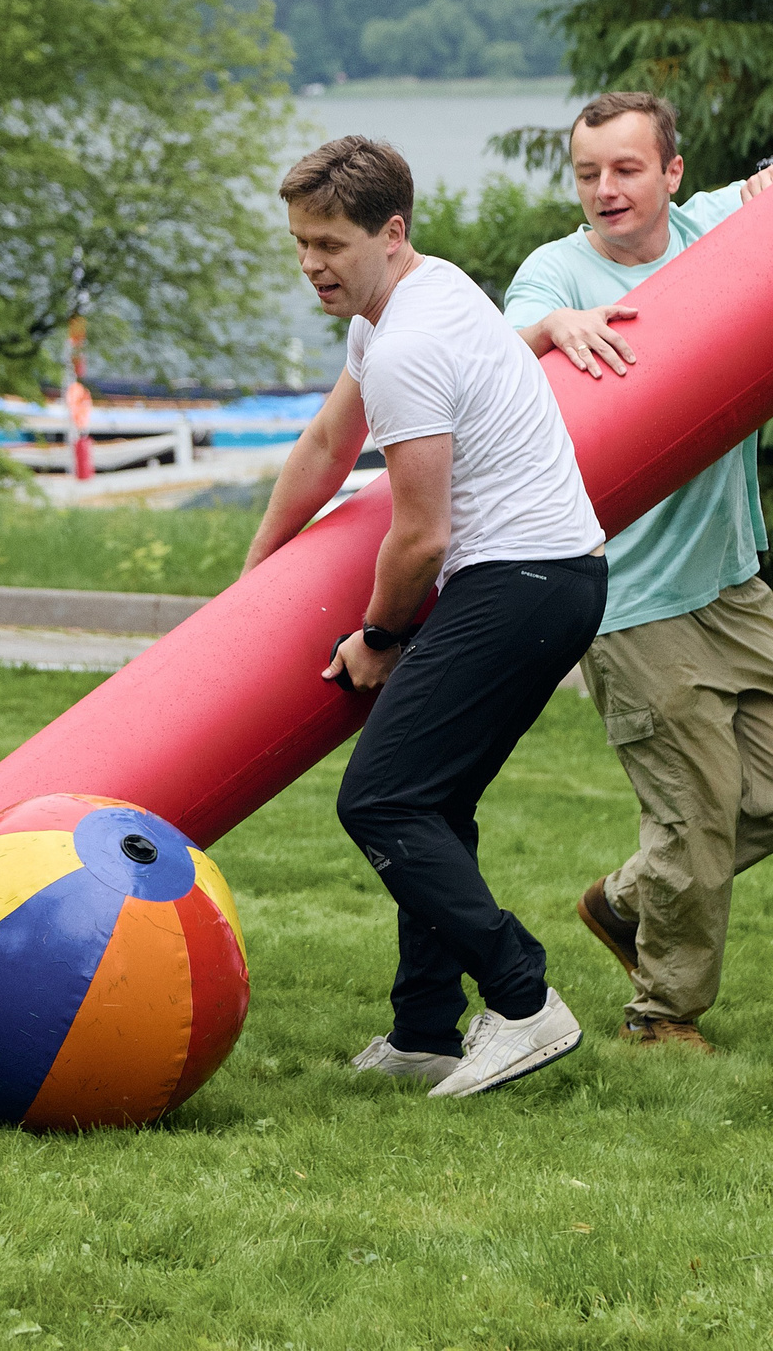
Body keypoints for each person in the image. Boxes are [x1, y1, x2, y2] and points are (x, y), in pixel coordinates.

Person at [242, 134, 609, 1099]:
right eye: (300, 242)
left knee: (383, 799)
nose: (312, 263)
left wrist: (377, 640)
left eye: (331, 243)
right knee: (433, 801)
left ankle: (526, 1004)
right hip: (543, 576)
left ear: (391, 232)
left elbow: (419, 537)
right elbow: (328, 443)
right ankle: (425, 1031)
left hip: (522, 582)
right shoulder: (408, 297)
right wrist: (254, 578)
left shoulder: (410, 341)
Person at [500, 91, 773, 1054]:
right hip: (630, 600)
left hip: (731, 582)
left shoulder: (712, 229)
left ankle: (624, 901)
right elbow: (499, 345)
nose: (606, 190)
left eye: (626, 169)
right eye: (588, 173)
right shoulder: (555, 270)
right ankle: (663, 1018)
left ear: (671, 175)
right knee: (691, 816)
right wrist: (557, 326)